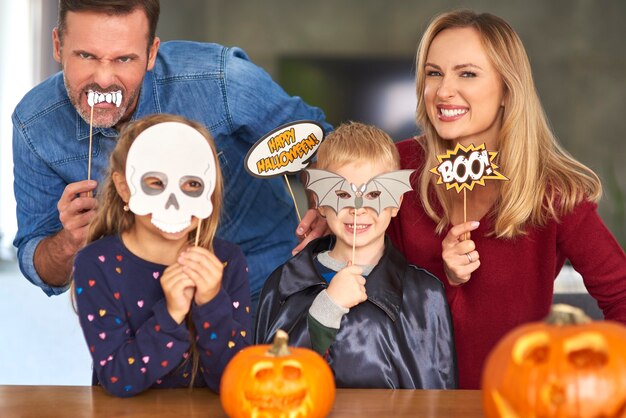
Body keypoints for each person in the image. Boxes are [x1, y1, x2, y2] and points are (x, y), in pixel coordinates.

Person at [11, 0, 331, 314]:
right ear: (57, 44)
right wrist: (68, 242)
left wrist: (324, 198)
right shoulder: (34, 126)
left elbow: (321, 141)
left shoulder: (223, 80)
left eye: (123, 59)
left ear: (151, 53)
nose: (104, 79)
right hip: (151, 305)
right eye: (86, 55)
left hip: (261, 282)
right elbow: (39, 264)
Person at [386, 10, 626, 389]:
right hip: (409, 401)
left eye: (467, 73)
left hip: (516, 399)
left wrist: (594, 383)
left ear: (507, 89)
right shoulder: (394, 166)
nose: (443, 90)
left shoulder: (554, 192)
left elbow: (622, 296)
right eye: (434, 73)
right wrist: (328, 211)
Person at [255, 122, 457, 389]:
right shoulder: (285, 283)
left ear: (395, 203)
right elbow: (267, 382)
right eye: (341, 193)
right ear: (321, 203)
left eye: (374, 193)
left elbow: (436, 391)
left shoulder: (425, 294)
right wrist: (328, 307)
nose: (357, 208)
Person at [73, 113, 251, 397]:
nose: (174, 202)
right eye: (155, 183)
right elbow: (119, 379)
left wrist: (211, 301)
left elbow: (235, 381)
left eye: (192, 184)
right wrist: (171, 314)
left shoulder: (227, 262)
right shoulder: (97, 265)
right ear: (124, 188)